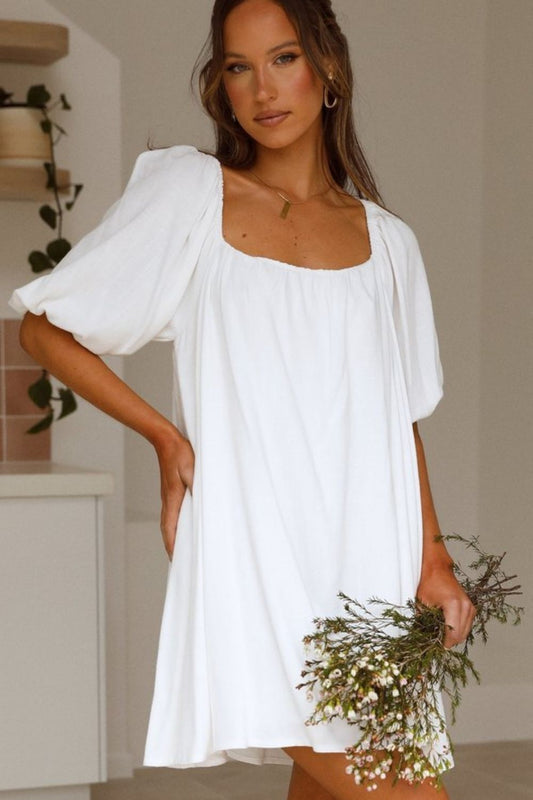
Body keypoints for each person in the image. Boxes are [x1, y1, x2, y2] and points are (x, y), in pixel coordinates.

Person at [10, 1, 476, 797]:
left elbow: (397, 417)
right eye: (238, 66)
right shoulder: (192, 195)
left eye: (283, 59)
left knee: (335, 777)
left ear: (328, 68)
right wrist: (166, 439)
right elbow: (44, 330)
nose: (262, 88)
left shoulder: (389, 243)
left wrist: (432, 557)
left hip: (368, 555)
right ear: (220, 85)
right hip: (253, 549)